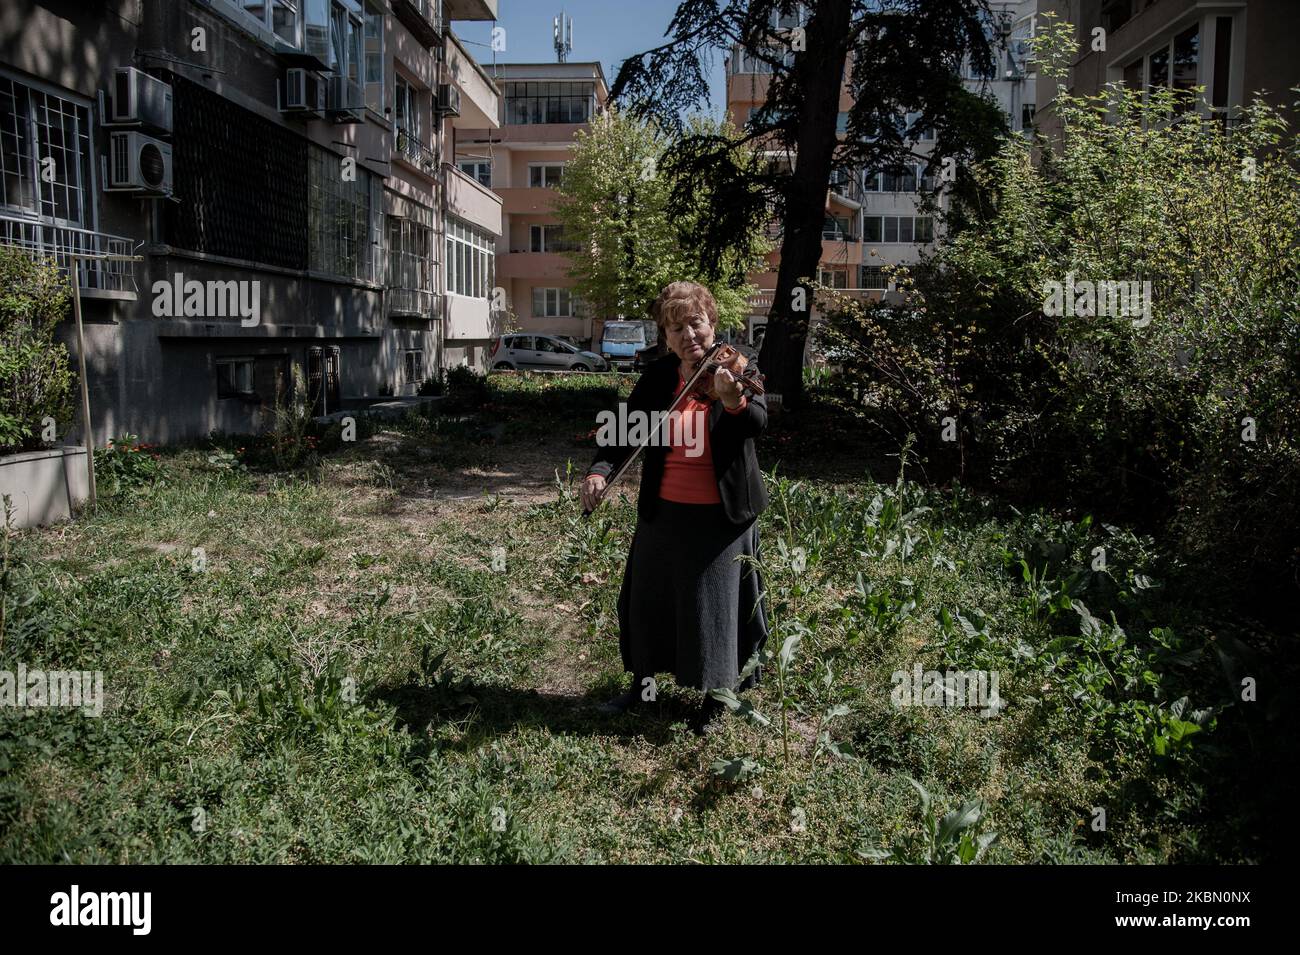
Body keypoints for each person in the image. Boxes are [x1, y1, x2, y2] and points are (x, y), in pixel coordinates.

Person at [581, 281, 771, 735]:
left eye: (696, 323)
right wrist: (599, 472)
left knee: (716, 609)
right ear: (665, 336)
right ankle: (642, 684)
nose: (689, 335)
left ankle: (714, 697)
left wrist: (732, 400)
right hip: (664, 511)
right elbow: (622, 434)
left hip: (721, 517)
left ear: (712, 324)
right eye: (676, 327)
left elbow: (758, 421)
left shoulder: (739, 366)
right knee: (649, 601)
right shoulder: (658, 378)